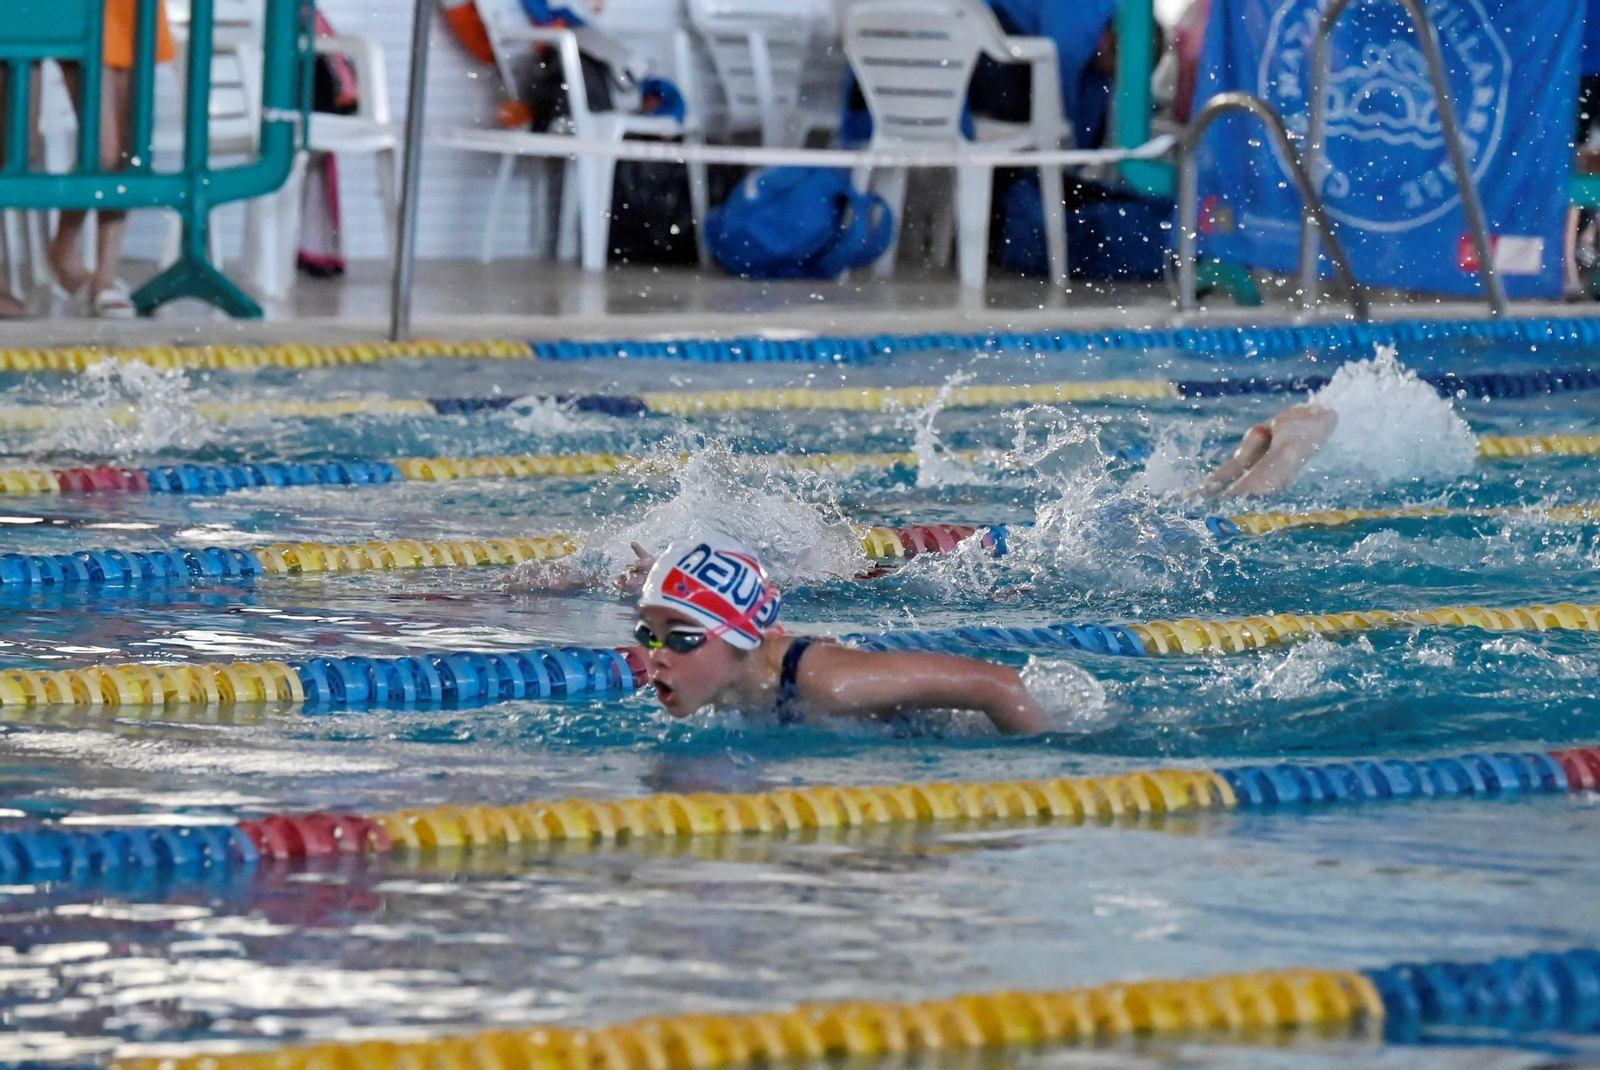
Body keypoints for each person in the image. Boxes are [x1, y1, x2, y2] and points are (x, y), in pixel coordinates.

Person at [632, 537, 1052, 735]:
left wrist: (1042, 782)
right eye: (647, 635)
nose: (657, 657)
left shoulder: (832, 683)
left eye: (681, 638)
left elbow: (999, 684)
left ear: (739, 637)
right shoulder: (727, 678)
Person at [47, 0, 177, 318]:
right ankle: (63, 250)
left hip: (134, 9)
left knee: (127, 154)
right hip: (83, 10)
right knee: (102, 151)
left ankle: (104, 277)